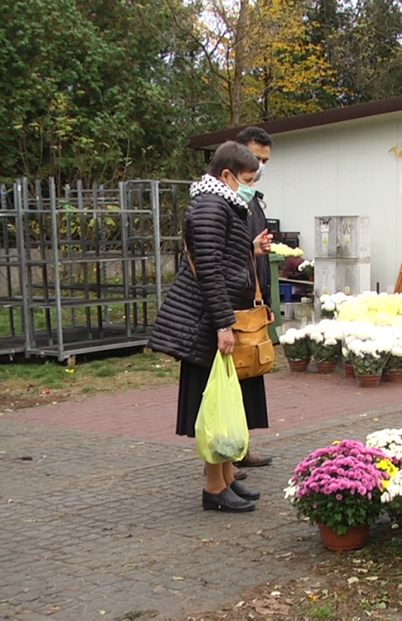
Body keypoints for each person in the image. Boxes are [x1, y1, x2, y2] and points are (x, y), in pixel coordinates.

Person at [148, 141, 274, 513]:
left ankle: (227, 480)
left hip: (215, 318)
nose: (250, 186)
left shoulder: (221, 203)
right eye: (248, 179)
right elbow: (210, 271)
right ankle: (213, 488)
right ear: (225, 175)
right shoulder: (210, 205)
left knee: (223, 403)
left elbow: (223, 256)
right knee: (213, 407)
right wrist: (223, 324)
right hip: (207, 322)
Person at [233, 126, 275, 471]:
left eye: (264, 161)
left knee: (250, 377)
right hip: (234, 303)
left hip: (254, 300)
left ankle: (241, 447)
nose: (260, 167)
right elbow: (223, 254)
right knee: (232, 382)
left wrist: (267, 301)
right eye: (255, 159)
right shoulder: (224, 203)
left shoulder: (254, 201)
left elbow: (259, 256)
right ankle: (226, 457)